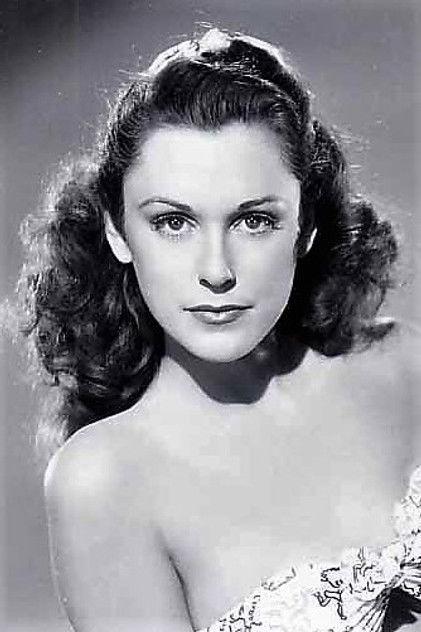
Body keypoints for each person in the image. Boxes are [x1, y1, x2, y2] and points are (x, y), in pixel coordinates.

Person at [9, 27, 421, 632]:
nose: (217, 271)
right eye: (173, 223)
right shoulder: (104, 481)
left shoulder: (403, 364)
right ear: (118, 232)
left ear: (305, 226)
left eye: (253, 221)